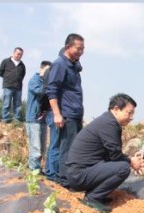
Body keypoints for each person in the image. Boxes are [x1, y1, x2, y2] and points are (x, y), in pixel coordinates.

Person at [66, 93, 144, 213]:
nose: (131, 117)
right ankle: (93, 198)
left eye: (132, 114)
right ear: (116, 109)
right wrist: (131, 161)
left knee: (118, 164)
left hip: (80, 172)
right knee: (123, 168)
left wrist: (129, 159)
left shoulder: (106, 121)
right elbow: (115, 155)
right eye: (129, 112)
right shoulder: (109, 124)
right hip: (79, 174)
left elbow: (112, 154)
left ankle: (94, 194)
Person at [46, 33, 85, 188]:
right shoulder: (60, 64)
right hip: (67, 113)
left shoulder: (73, 66)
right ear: (68, 47)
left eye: (83, 49)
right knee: (67, 148)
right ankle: (64, 180)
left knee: (74, 148)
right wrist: (56, 114)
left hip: (75, 114)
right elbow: (52, 90)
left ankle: (71, 178)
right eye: (78, 48)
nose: (81, 52)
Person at [25, 61, 52, 172]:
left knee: (42, 147)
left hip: (42, 119)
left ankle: (38, 168)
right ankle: (33, 169)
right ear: (41, 69)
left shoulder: (45, 82)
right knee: (35, 147)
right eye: (47, 71)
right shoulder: (34, 80)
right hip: (33, 119)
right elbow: (41, 92)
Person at [0, 47, 26, 123]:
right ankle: (5, 119)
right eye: (18, 54)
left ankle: (16, 120)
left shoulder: (22, 65)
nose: (19, 56)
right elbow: (1, 72)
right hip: (8, 86)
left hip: (18, 87)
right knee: (6, 103)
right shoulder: (5, 61)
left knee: (17, 105)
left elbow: (23, 75)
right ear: (14, 53)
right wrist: (8, 79)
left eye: (21, 55)